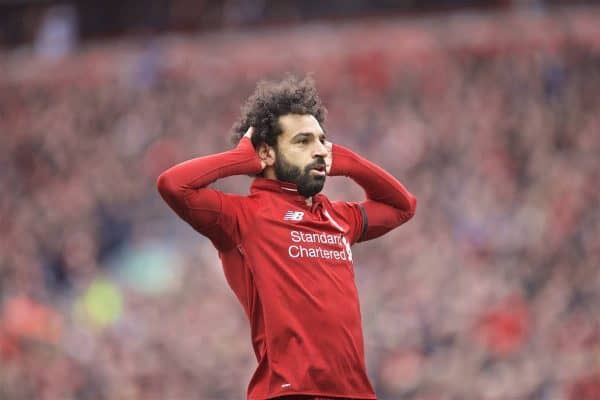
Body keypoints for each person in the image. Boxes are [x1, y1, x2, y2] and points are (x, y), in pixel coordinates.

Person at [156, 76, 417, 400]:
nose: (320, 150)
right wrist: (240, 159)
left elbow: (402, 207)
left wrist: (351, 164)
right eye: (303, 141)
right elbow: (173, 185)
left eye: (322, 141)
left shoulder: (338, 216)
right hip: (288, 393)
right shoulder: (242, 217)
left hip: (355, 394)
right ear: (265, 153)